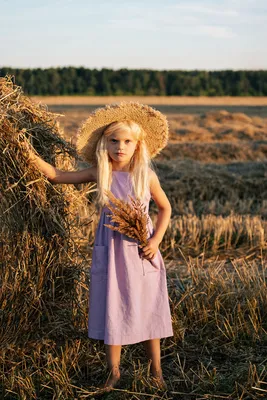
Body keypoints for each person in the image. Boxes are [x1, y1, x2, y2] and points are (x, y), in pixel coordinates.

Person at [28, 101, 173, 392]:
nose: (120, 147)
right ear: (105, 144)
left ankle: (156, 371)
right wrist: (25, 153)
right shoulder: (100, 172)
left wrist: (155, 241)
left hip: (141, 250)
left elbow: (165, 208)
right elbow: (57, 176)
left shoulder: (146, 176)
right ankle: (114, 373)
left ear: (137, 145)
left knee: (148, 307)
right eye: (114, 141)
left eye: (127, 141)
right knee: (113, 307)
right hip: (111, 251)